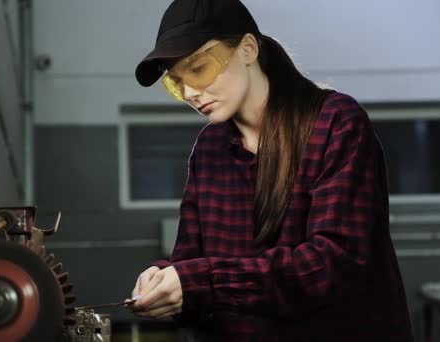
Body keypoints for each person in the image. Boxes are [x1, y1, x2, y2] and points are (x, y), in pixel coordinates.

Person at [128, 0, 414, 341]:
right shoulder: (209, 149)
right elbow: (192, 263)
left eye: (199, 68)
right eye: (177, 83)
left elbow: (331, 264)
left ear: (248, 49)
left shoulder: (336, 123)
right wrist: (165, 282)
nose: (191, 92)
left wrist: (200, 280)